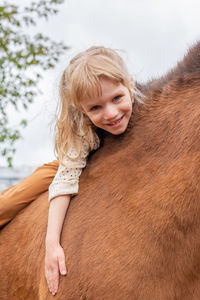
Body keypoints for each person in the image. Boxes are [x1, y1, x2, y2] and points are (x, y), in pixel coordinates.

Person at [0, 46, 143, 296]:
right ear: (82, 110)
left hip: (104, 162)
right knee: (13, 200)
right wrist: (52, 243)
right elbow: (63, 185)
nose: (111, 113)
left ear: (129, 85)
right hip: (68, 164)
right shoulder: (81, 136)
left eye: (117, 98)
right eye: (95, 108)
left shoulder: (144, 106)